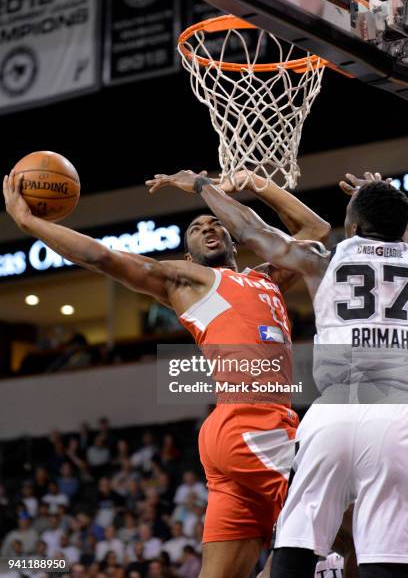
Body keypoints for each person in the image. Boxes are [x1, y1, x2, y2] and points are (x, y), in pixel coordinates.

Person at [3, 169, 329, 578]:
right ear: (188, 253)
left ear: (232, 236)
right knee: (334, 523)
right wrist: (31, 223)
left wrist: (256, 184)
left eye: (215, 223)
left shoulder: (266, 277)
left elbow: (314, 229)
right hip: (253, 423)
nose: (208, 228)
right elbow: (102, 257)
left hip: (234, 433)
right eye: (196, 227)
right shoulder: (188, 279)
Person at [146, 170, 408, 578]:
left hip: (331, 414)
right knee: (373, 545)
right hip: (396, 412)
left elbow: (254, 230)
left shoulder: (328, 259)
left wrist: (205, 186)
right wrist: (381, 200)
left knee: (298, 540)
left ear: (353, 227)